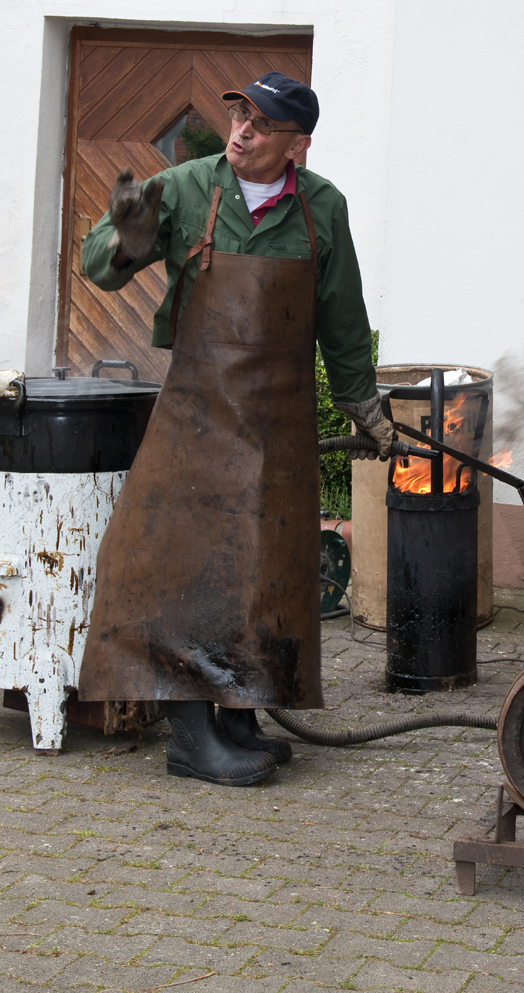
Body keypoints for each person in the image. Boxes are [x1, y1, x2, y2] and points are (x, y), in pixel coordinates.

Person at [77, 72, 393, 786]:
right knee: (179, 568)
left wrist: (362, 403)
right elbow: (101, 268)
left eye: (263, 123)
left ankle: (240, 714)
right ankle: (191, 736)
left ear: (297, 144)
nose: (243, 130)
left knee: (265, 569)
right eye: (241, 114)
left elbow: (342, 317)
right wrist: (125, 240)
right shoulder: (186, 187)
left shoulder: (322, 208)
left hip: (277, 426)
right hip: (196, 415)